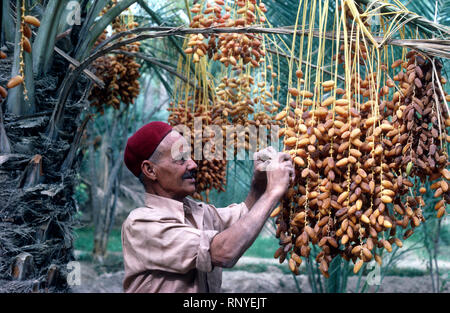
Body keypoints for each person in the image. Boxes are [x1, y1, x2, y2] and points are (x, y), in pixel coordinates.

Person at [121, 121, 294, 293]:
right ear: (150, 170)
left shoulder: (198, 212)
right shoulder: (141, 225)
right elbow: (223, 251)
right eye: (181, 159)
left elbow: (244, 217)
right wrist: (273, 192)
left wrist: (259, 184)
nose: (193, 164)